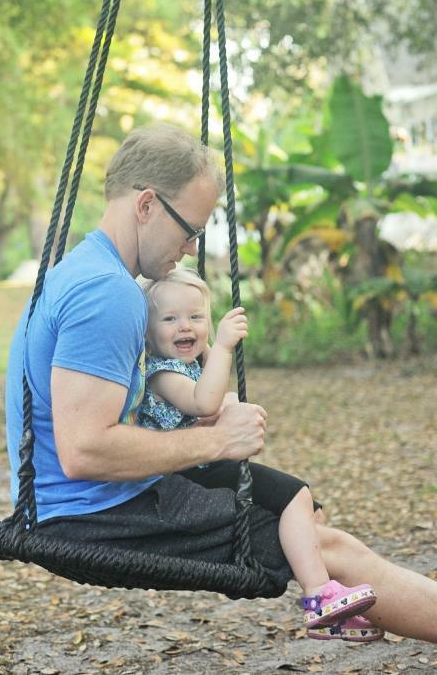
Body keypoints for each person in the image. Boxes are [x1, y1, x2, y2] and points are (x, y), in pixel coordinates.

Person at [6, 123, 437, 643]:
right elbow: (84, 450)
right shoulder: (109, 294)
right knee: (326, 550)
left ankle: (333, 604)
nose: (190, 249)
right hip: (95, 515)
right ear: (146, 205)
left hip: (84, 503)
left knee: (307, 519)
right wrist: (218, 440)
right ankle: (328, 603)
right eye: (189, 228)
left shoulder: (78, 270)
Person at [137, 268, 381, 641]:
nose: (184, 326)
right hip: (187, 475)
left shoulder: (187, 366)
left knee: (311, 507)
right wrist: (221, 348)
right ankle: (319, 600)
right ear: (148, 333)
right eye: (170, 319)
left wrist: (223, 391)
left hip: (205, 464)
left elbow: (212, 403)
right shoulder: (162, 372)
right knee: (294, 493)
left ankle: (332, 604)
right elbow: (204, 403)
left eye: (195, 317)